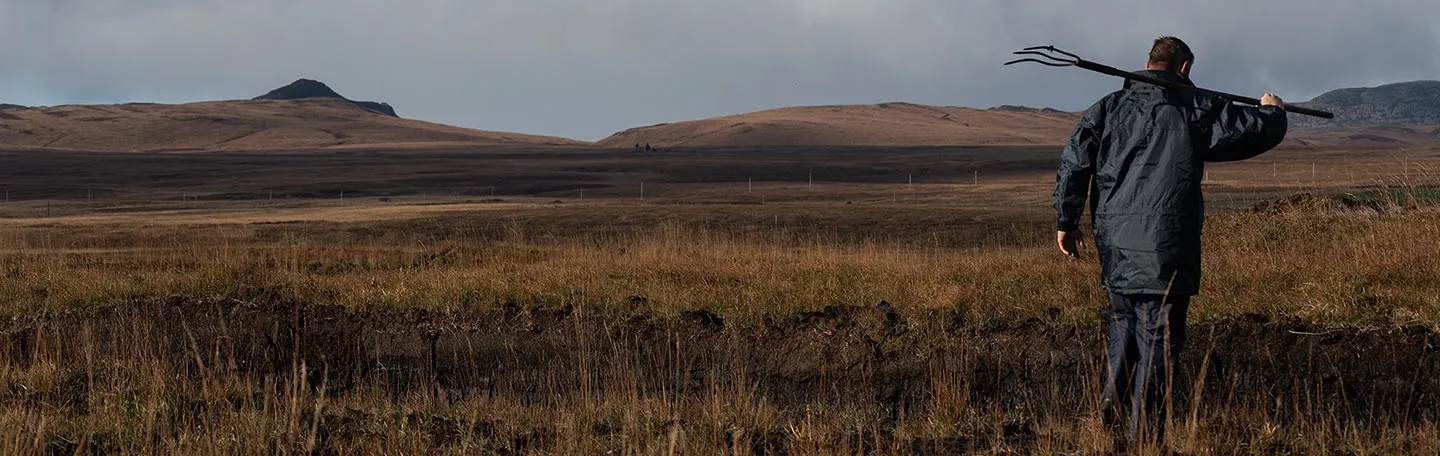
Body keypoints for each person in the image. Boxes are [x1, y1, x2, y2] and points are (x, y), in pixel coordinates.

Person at [1052, 36, 1287, 442]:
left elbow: (1075, 161)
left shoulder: (1108, 107)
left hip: (1115, 245)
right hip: (1166, 245)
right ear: (1184, 69)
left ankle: (1111, 404)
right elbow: (1246, 132)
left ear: (1146, 64)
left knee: (1124, 325)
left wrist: (1066, 221)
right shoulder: (1195, 107)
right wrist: (1273, 113)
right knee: (1158, 340)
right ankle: (1145, 437)